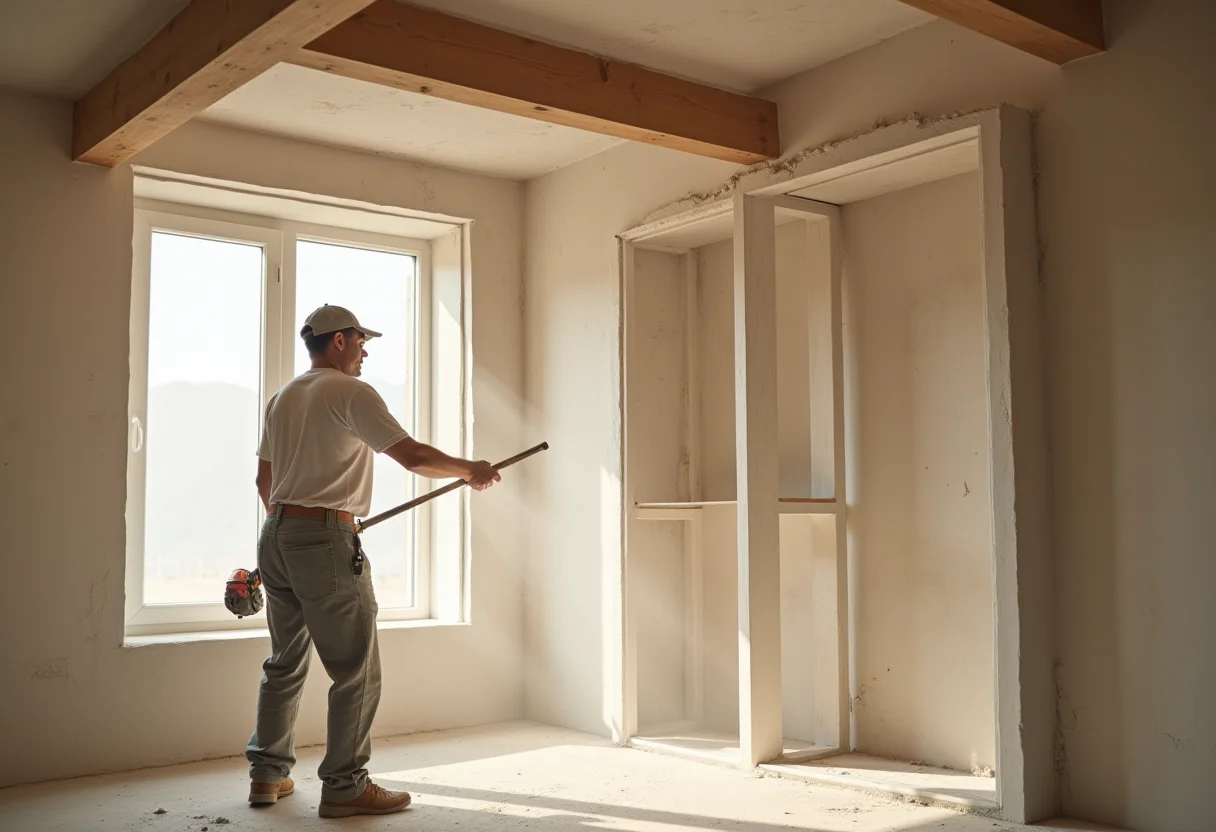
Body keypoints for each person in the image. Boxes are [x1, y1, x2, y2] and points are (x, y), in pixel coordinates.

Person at [245, 304, 500, 818]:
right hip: (321, 539)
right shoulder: (350, 392)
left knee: (284, 662)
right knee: (356, 669)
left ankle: (267, 777)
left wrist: (295, 525)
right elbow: (413, 457)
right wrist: (470, 468)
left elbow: (263, 483)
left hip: (274, 534)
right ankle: (344, 786)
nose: (365, 350)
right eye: (361, 340)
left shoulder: (282, 397)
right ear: (338, 340)